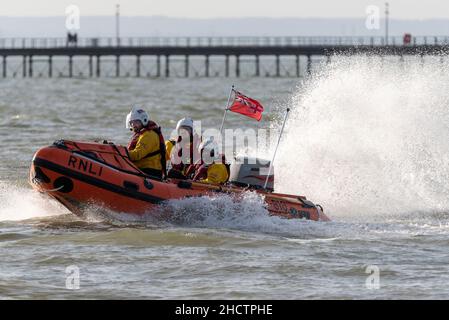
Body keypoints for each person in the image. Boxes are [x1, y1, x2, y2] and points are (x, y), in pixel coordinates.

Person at [126, 106, 166, 180]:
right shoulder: (141, 134)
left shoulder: (148, 135)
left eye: (136, 122)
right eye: (131, 123)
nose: (133, 125)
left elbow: (137, 155)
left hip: (150, 171)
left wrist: (122, 152)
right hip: (142, 168)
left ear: (143, 120)